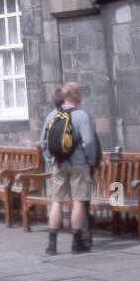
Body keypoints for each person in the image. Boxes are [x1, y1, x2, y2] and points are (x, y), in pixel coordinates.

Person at [40, 81, 102, 255]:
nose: (81, 94)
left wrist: (51, 158)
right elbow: (89, 142)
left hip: (59, 164)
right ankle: (76, 243)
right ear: (73, 95)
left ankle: (52, 245)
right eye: (80, 92)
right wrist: (90, 160)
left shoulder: (52, 114)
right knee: (79, 201)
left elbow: (42, 141)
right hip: (79, 164)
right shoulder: (82, 115)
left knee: (57, 202)